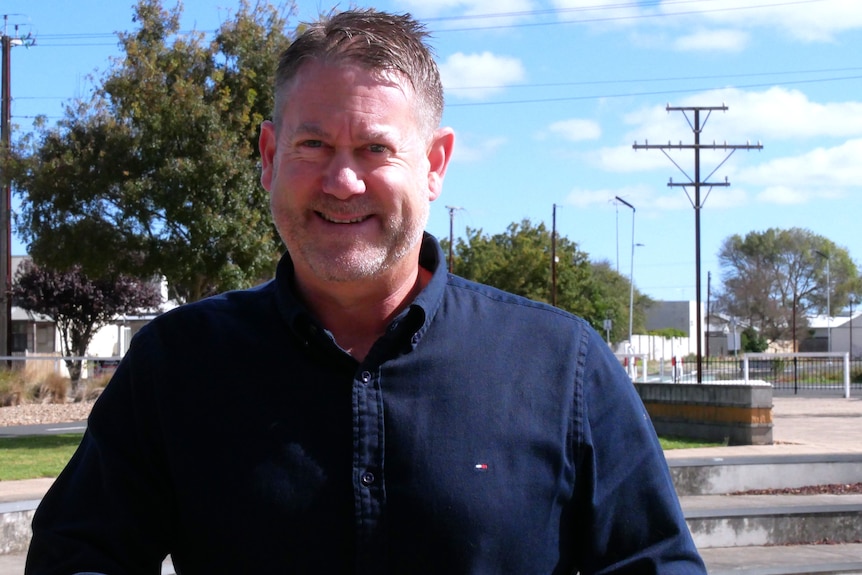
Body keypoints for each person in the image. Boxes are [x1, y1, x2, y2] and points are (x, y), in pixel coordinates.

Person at [26, 9, 706, 574]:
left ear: (435, 163)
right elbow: (78, 557)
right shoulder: (176, 365)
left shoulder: (563, 367)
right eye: (314, 144)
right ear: (269, 157)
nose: (342, 181)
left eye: (376, 149)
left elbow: (655, 562)